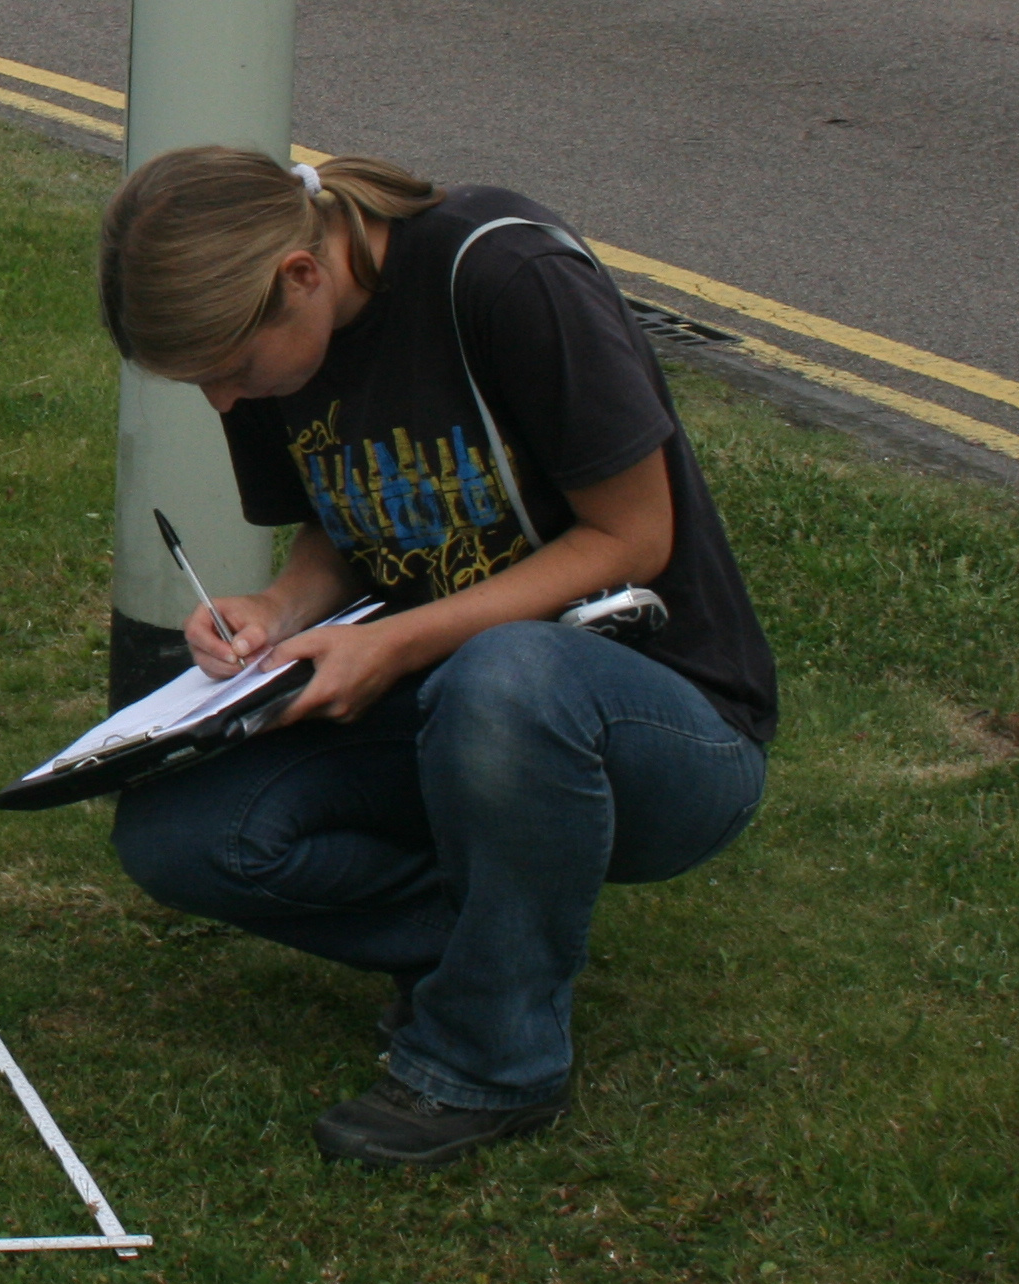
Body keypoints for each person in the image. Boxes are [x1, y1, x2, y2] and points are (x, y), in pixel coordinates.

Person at [96, 148, 775, 1170]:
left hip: (661, 719)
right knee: (179, 833)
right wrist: (278, 611)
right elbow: (344, 527)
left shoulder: (505, 278)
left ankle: (492, 1059)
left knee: (506, 677)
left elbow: (634, 539)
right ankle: (496, 941)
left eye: (232, 372)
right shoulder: (283, 341)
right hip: (446, 706)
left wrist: (394, 641)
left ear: (300, 274)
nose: (227, 405)